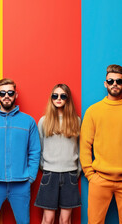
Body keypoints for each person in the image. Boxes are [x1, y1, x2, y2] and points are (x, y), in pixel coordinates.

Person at [80, 64, 122, 224]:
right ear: (105, 83)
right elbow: (84, 145)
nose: (114, 84)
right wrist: (90, 174)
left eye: (118, 81)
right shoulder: (93, 111)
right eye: (111, 81)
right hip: (99, 179)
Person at [0, 78, 41, 224]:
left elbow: (35, 151)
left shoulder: (28, 121)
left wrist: (30, 177)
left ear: (15, 95)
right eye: (3, 93)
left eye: (10, 92)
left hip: (21, 183)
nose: (6, 96)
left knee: (23, 222)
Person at [34, 84, 81, 224]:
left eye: (62, 96)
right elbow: (39, 148)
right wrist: (46, 167)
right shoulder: (44, 121)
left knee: (65, 220)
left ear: (68, 99)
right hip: (50, 174)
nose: (58, 98)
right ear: (51, 98)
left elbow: (80, 147)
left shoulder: (76, 121)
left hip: (70, 174)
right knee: (48, 219)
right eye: (55, 95)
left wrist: (78, 169)